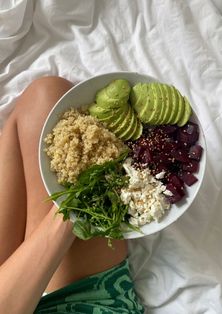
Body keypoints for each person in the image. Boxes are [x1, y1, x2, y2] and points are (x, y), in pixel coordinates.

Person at [0, 76, 144, 314]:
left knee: (46, 97)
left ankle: (66, 214)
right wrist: (73, 212)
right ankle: (68, 215)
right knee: (48, 98)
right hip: (85, 301)